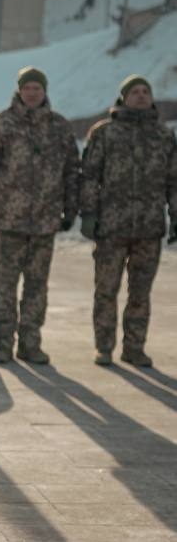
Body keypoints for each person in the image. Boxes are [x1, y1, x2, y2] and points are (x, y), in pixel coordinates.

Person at [0, 66, 79, 364]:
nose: (33, 93)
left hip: (45, 222)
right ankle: (3, 344)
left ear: (45, 92)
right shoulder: (2, 124)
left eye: (38, 88)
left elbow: (72, 170)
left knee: (37, 286)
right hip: (9, 221)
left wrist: (70, 210)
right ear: (20, 91)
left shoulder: (59, 126)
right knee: (5, 286)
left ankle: (31, 343)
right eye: (28, 88)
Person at [80, 74, 177, 367]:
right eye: (134, 92)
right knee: (106, 290)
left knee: (140, 293)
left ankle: (134, 347)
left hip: (148, 229)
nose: (140, 96)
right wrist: (89, 214)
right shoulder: (104, 133)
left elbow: (174, 181)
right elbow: (89, 177)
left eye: (145, 91)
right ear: (123, 97)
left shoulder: (163, 136)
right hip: (111, 227)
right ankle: (104, 347)